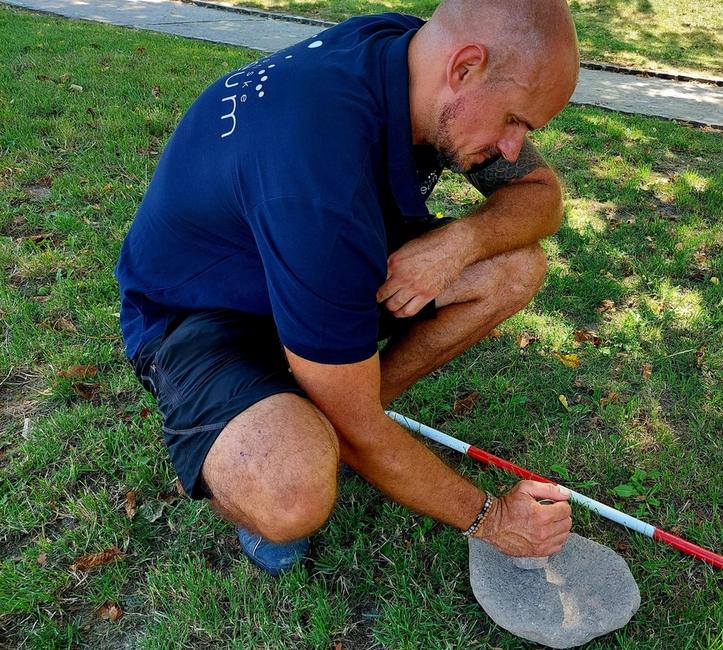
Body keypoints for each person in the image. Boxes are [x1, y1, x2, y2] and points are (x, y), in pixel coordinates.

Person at [115, 0, 580, 576]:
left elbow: (540, 194)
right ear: (464, 67)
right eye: (515, 120)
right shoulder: (317, 186)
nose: (514, 146)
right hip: (201, 315)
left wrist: (461, 241)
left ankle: (337, 409)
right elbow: (317, 206)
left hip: (316, 263)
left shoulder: (405, 54)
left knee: (513, 267)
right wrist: (489, 518)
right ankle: (301, 435)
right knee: (294, 491)